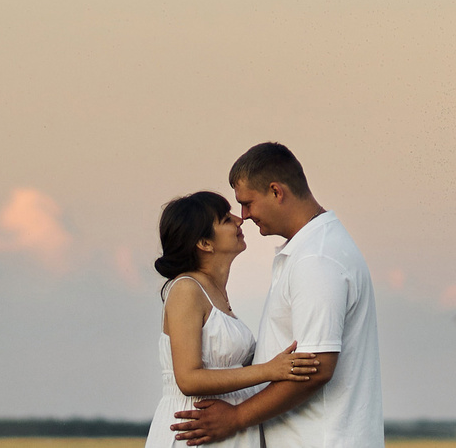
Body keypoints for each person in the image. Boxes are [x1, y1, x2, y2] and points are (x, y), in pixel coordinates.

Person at [173, 143, 382, 448]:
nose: (243, 215)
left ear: (276, 191)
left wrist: (236, 417)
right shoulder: (313, 251)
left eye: (247, 203)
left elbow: (317, 368)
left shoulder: (316, 260)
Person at [148, 189, 324, 448]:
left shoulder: (216, 293)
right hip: (195, 428)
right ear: (204, 243)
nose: (240, 220)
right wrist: (268, 370)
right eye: (225, 218)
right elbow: (187, 378)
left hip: (228, 431)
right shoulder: (186, 289)